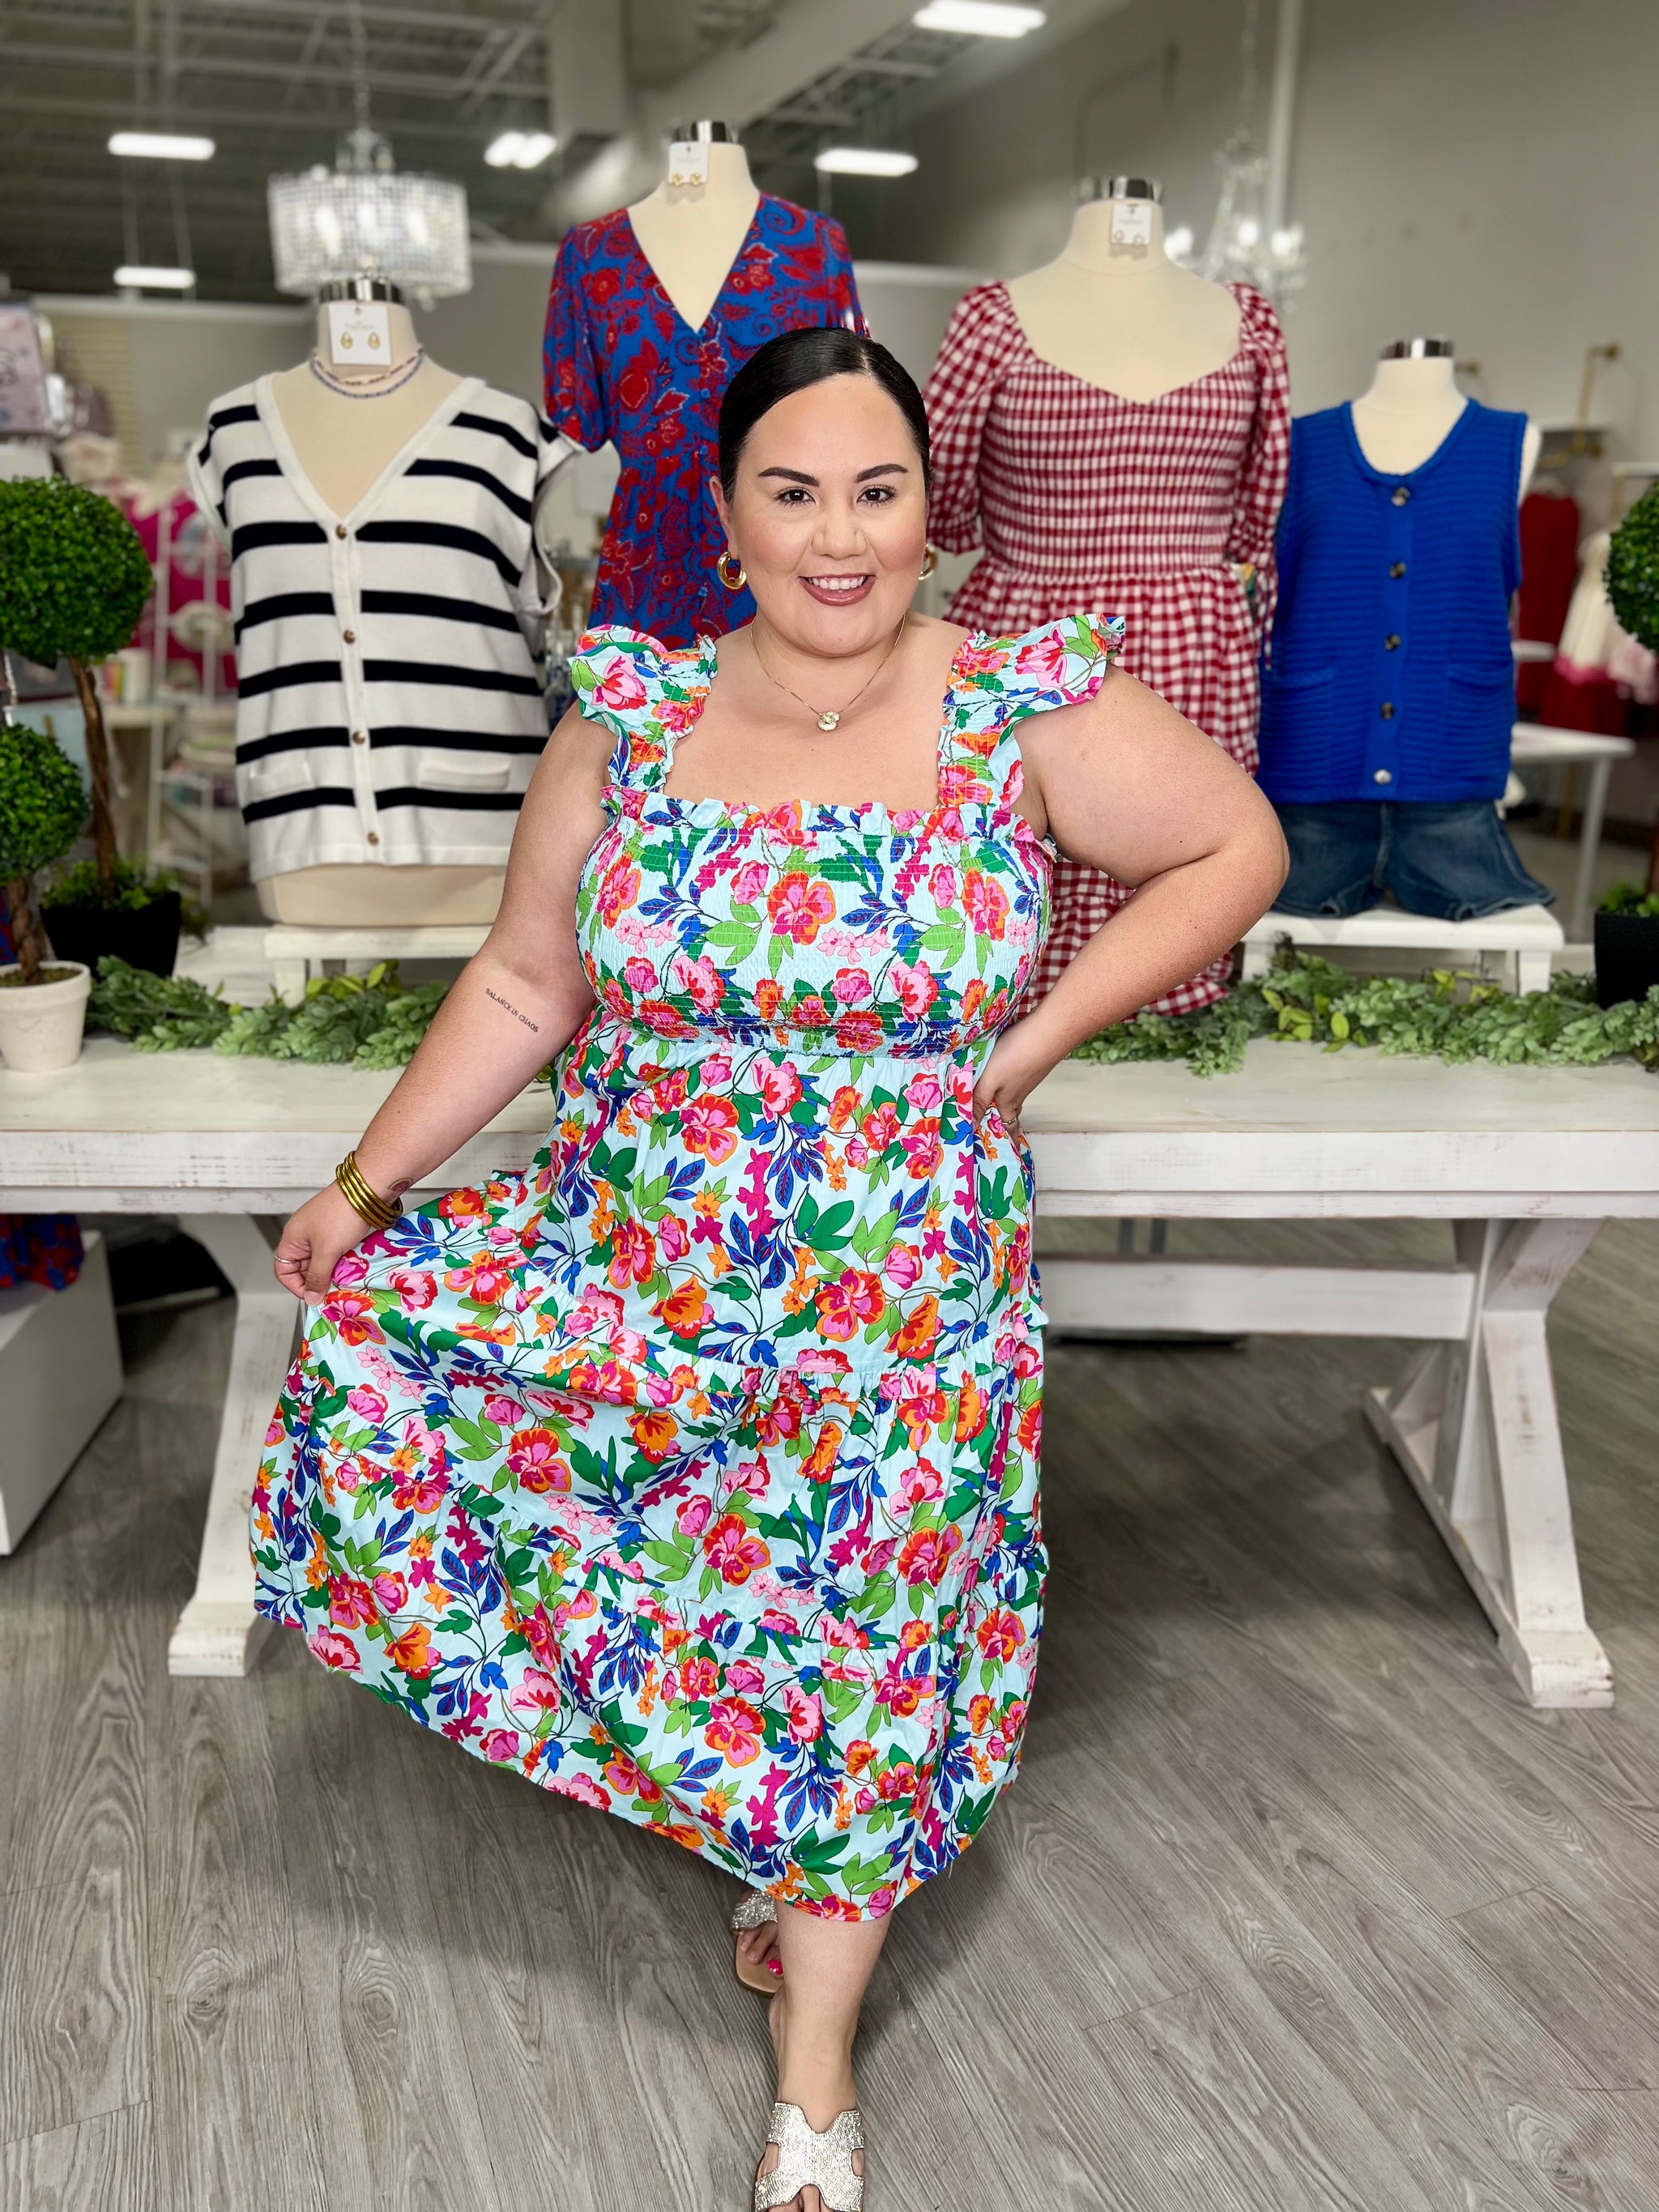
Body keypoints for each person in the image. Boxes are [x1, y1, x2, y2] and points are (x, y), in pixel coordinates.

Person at [256, 325, 1288, 2212]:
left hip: (905, 1301)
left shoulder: (1018, 699)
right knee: (697, 1600)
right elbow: (525, 981)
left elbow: (1232, 842)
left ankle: (815, 2061)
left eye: (879, 492)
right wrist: (367, 1182)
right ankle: (771, 1834)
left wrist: (1030, 1044)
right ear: (724, 515)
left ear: (929, 509)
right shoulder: (631, 712)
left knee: (860, 1648)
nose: (839, 537)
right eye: (793, 493)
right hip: (639, 1274)